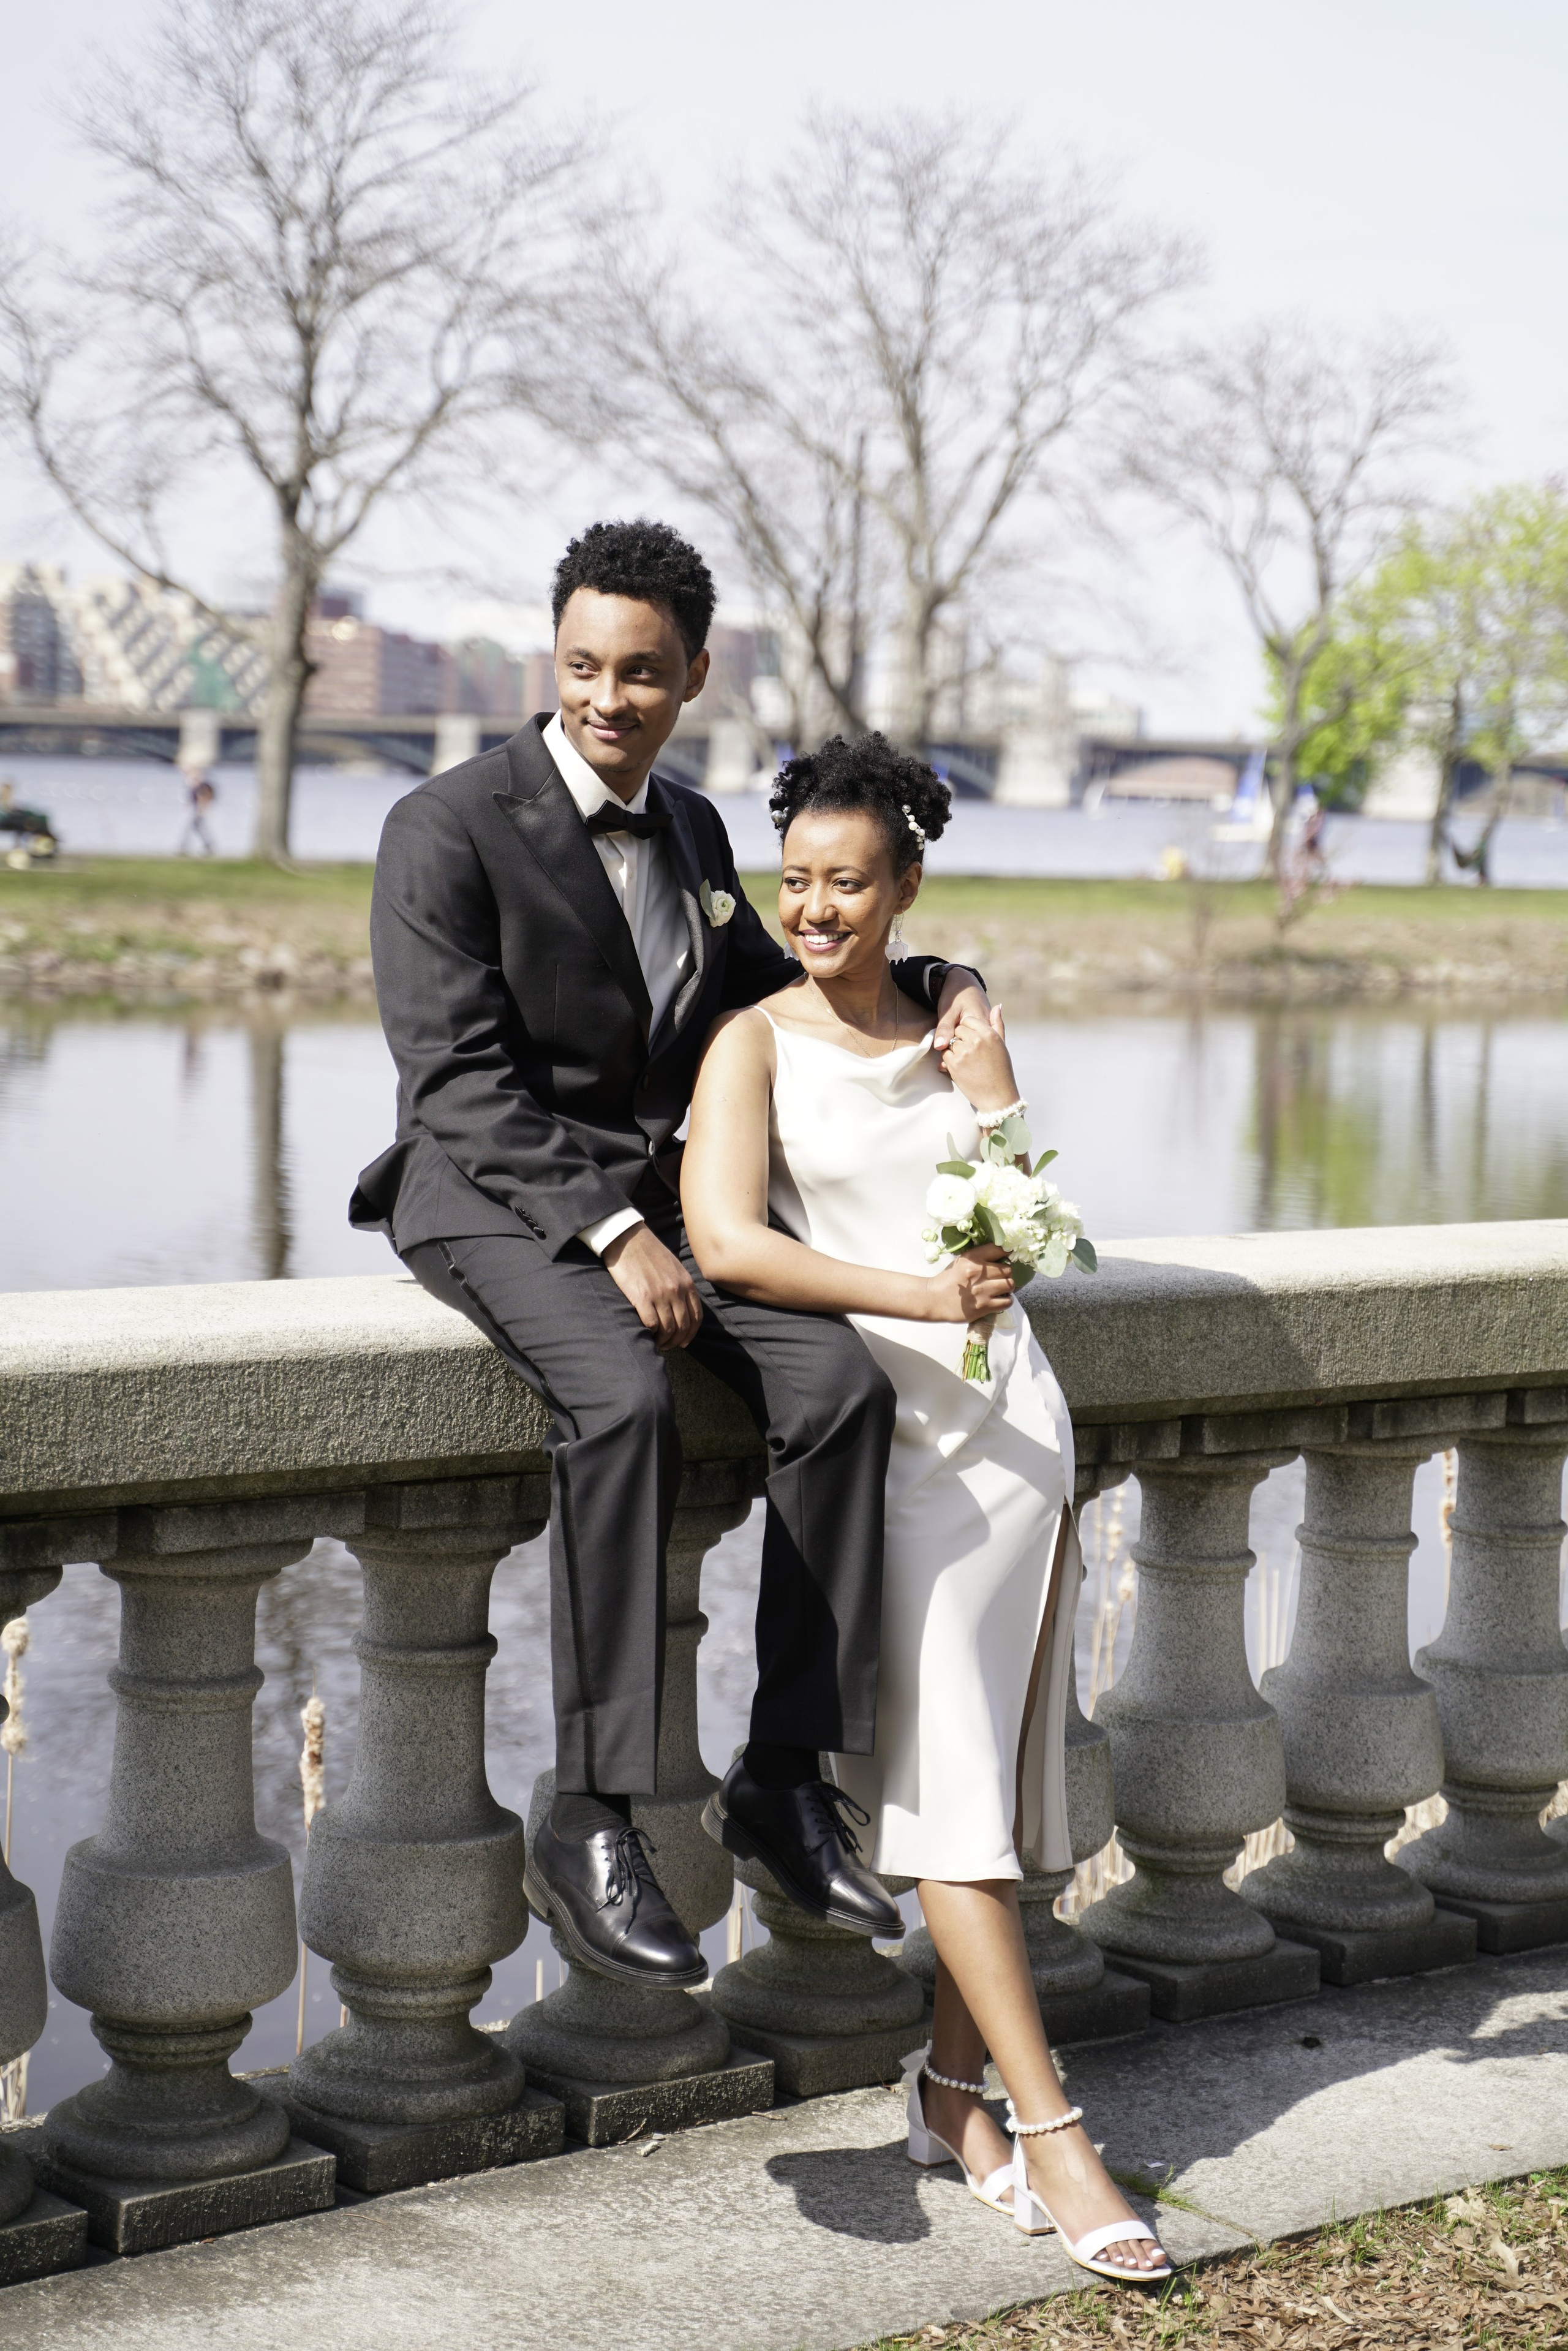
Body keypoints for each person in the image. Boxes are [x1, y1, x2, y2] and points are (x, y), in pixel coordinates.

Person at [350, 518, 991, 1992]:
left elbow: (771, 987)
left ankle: (778, 1776)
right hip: (487, 1193)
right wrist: (615, 1228)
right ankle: (591, 1811)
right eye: (582, 664)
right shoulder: (442, 825)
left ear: (693, 675)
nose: (607, 695)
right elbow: (454, 1079)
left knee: (839, 1389)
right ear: (552, 657)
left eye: (640, 671)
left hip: (657, 1198)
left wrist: (937, 975)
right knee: (626, 1403)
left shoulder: (695, 831)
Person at [681, 733, 1171, 2285]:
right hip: (890, 1446)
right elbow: (725, 1242)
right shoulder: (749, 1042)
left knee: (1000, 1792)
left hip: (1016, 1428)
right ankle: (1054, 2131)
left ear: (904, 885)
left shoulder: (957, 1020)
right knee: (953, 1791)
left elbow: (1022, 1214)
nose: (814, 909)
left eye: (847, 883)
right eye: (795, 881)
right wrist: (912, 1297)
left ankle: (952, 2096)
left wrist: (993, 1087)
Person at [178, 768, 218, 856]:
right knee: (198, 828)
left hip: (199, 811)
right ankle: (208, 845)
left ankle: (184, 847)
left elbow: (204, 799)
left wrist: (201, 810)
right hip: (198, 810)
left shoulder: (203, 787)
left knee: (192, 828)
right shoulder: (198, 787)